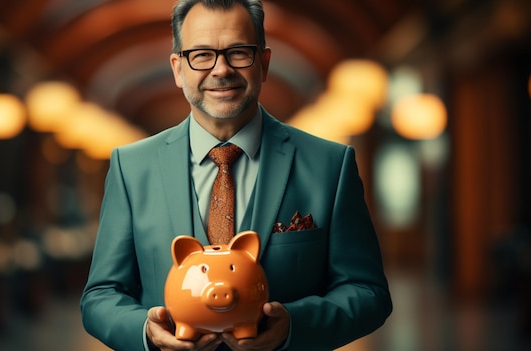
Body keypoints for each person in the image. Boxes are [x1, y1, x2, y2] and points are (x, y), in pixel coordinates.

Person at [80, 0, 392, 350]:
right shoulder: (131, 166)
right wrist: (146, 332)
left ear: (264, 62)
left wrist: (294, 325)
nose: (221, 70)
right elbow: (100, 296)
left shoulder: (330, 164)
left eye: (238, 52)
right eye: (201, 55)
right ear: (177, 68)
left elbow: (369, 293)